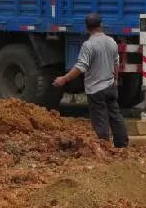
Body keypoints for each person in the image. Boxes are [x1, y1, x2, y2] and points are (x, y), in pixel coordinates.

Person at [52, 13, 129, 148]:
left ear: (87, 28)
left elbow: (80, 67)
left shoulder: (88, 45)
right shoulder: (111, 41)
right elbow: (116, 63)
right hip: (111, 86)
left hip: (95, 89)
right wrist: (115, 80)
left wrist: (64, 79)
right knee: (115, 116)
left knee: (100, 120)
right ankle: (122, 145)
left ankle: (104, 146)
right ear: (101, 25)